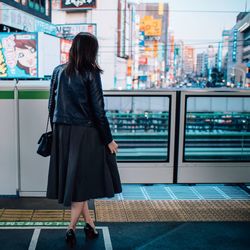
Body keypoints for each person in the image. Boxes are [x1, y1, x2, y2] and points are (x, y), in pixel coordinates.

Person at [46, 32, 122, 245]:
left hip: (62, 131)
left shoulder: (58, 71)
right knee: (81, 182)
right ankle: (70, 229)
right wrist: (109, 140)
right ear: (91, 51)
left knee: (80, 182)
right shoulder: (90, 73)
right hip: (85, 134)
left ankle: (89, 224)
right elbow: (99, 111)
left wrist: (58, 130)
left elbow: (51, 105)